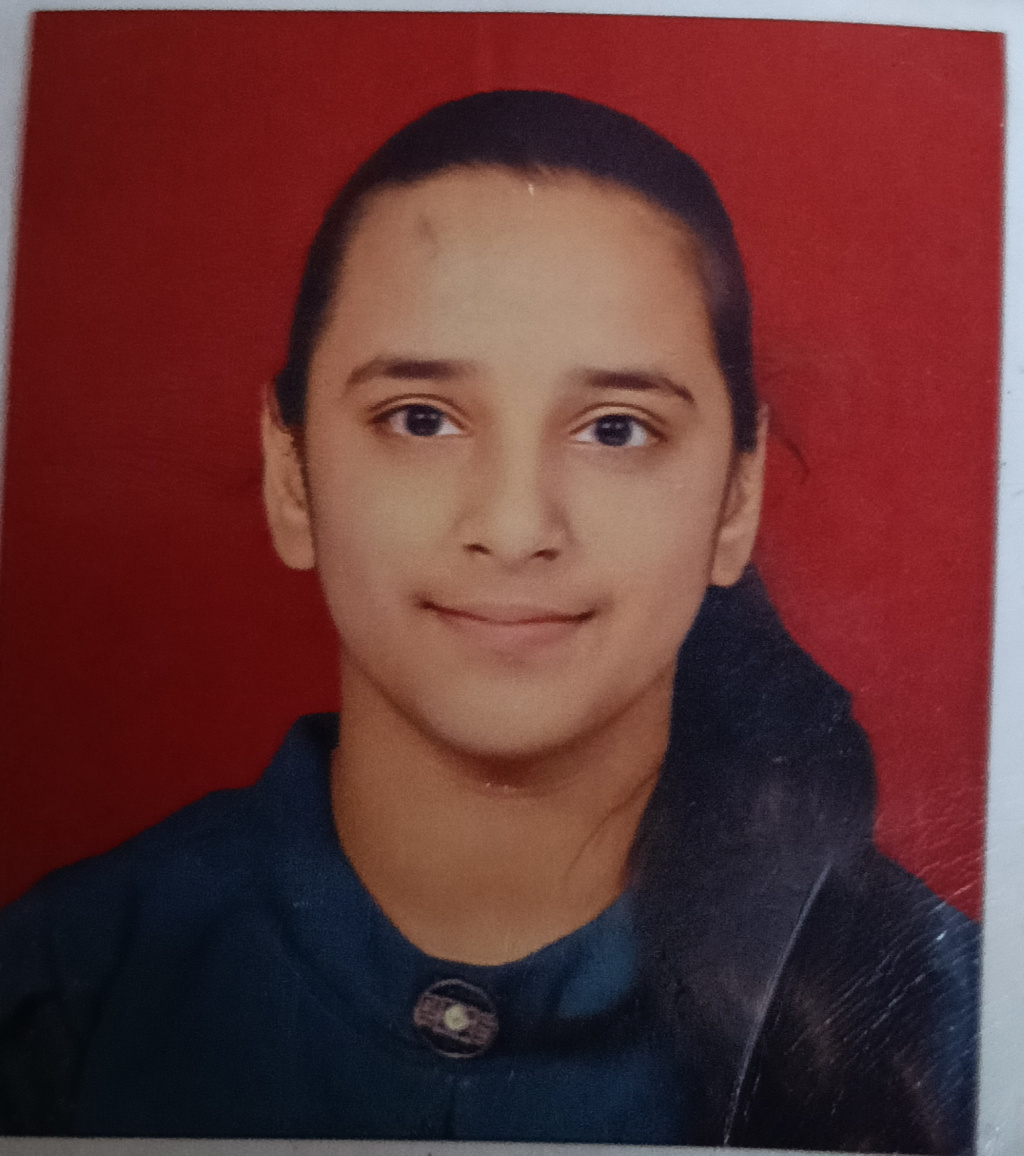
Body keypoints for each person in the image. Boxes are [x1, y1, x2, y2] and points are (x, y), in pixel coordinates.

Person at [0, 90, 977, 1151]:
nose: (515, 529)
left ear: (735, 499)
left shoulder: (955, 1024)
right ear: (291, 474)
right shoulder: (55, 992)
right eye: (421, 419)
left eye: (615, 429)